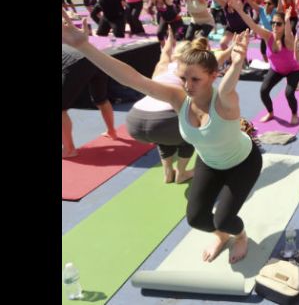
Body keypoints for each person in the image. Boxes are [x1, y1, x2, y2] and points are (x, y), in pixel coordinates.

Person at [62, 20, 262, 264]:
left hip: (243, 163)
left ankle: (239, 236)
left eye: (195, 80)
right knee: (196, 218)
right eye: (183, 78)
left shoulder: (224, 100)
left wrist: (238, 62)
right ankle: (221, 236)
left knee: (224, 219)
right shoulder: (178, 98)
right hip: (211, 163)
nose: (187, 86)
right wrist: (84, 46)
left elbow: (229, 83)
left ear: (213, 75)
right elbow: (132, 79)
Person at [125, 28, 230, 183]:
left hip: (135, 120)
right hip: (164, 120)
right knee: (193, 132)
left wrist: (170, 38)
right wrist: (236, 46)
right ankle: (181, 173)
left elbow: (166, 51)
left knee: (165, 135)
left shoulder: (163, 65)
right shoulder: (197, 67)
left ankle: (167, 172)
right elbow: (221, 55)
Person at [229, 0, 299, 125]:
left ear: (284, 26)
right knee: (263, 91)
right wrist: (239, 10)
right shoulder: (268, 36)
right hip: (277, 70)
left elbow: (289, 34)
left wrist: (287, 20)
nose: (275, 26)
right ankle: (270, 112)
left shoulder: (288, 40)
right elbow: (252, 24)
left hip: (293, 70)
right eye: (273, 23)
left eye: (279, 24)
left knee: (289, 93)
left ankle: (294, 114)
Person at [62, 19, 118, 158]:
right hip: (95, 58)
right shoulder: (68, 42)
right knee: (101, 99)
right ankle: (112, 131)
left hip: (77, 63)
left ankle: (69, 150)